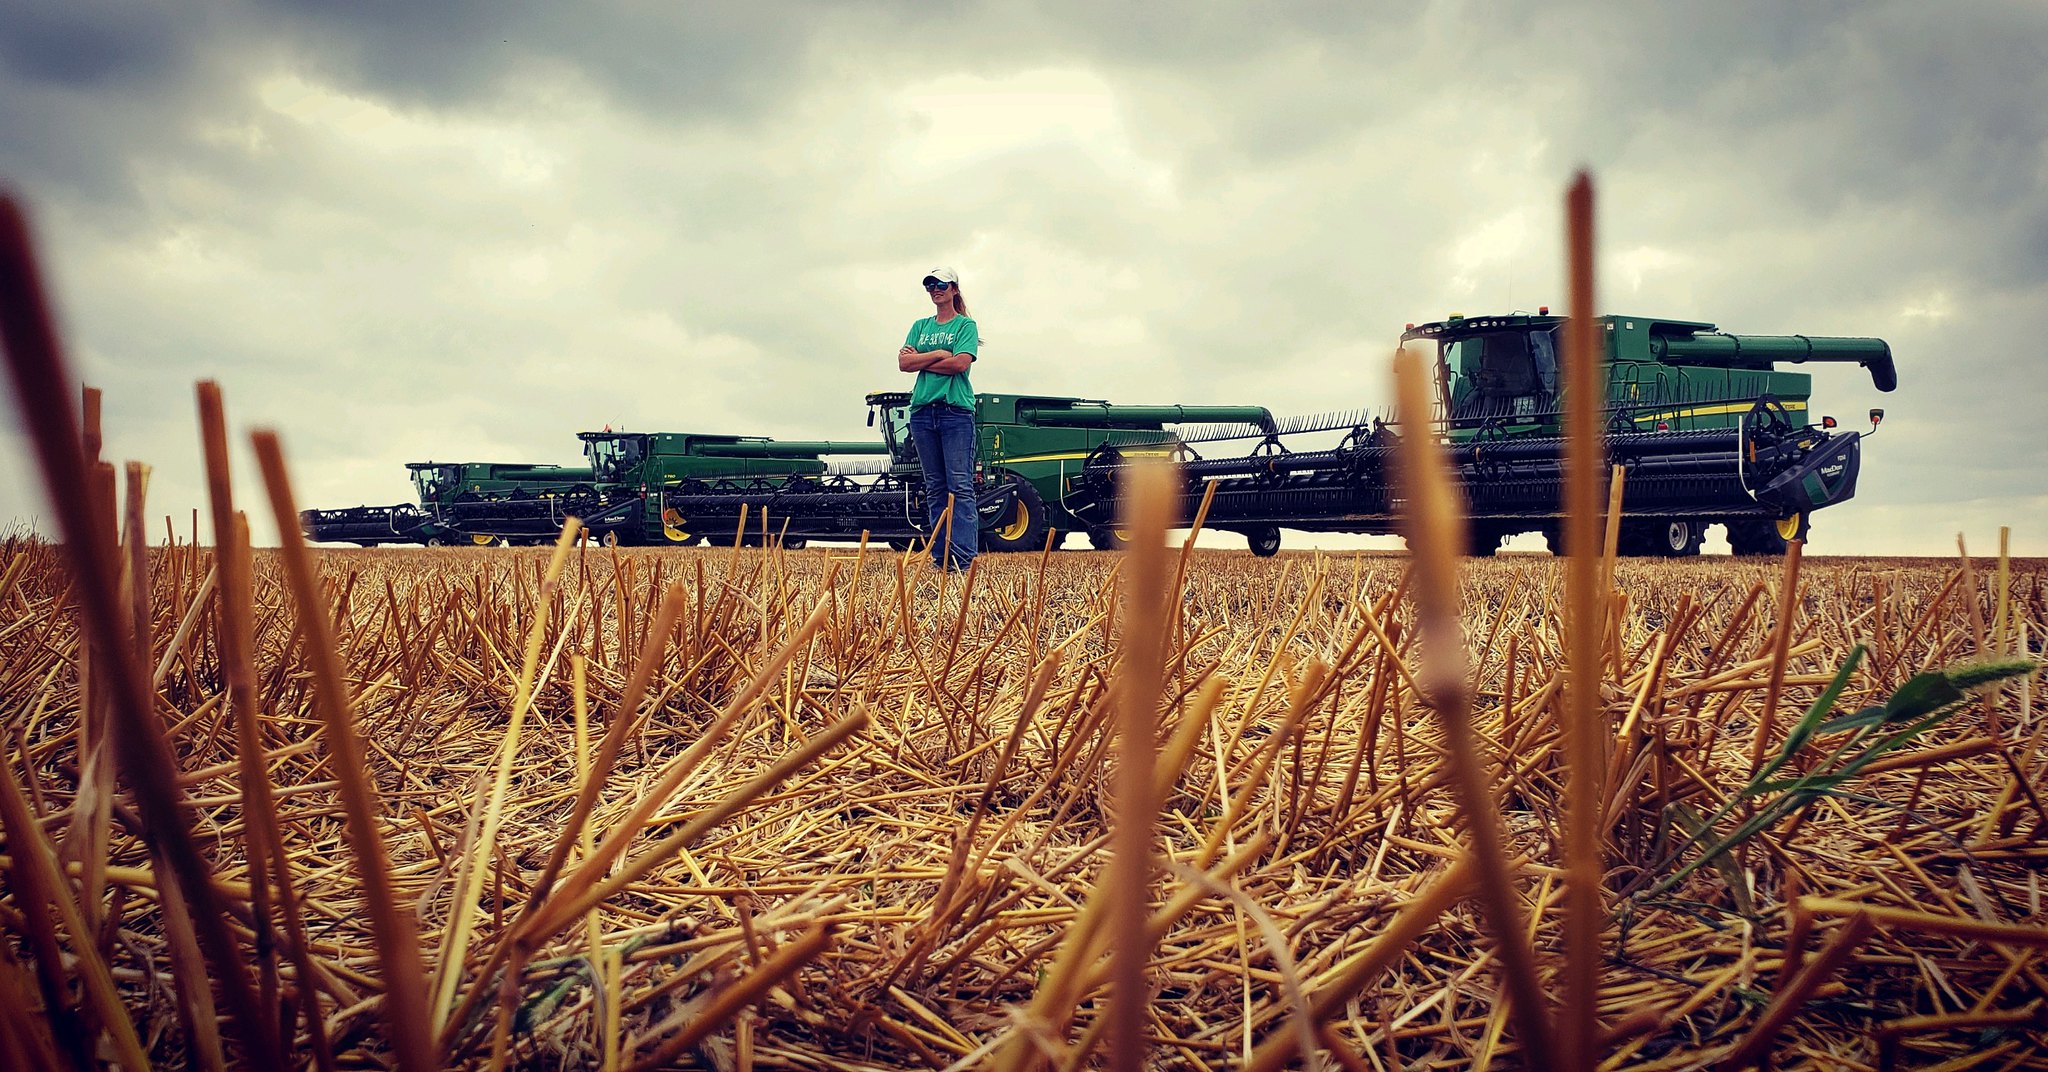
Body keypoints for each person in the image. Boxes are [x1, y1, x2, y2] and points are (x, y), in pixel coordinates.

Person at [898, 266, 980, 572]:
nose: (935, 289)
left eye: (941, 284)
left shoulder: (965, 326)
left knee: (958, 486)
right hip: (922, 412)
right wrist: (939, 354)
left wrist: (924, 359)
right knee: (934, 487)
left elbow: (960, 364)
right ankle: (941, 559)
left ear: (954, 289)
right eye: (930, 285)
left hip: (954, 412)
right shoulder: (919, 325)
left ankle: (962, 559)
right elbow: (904, 363)